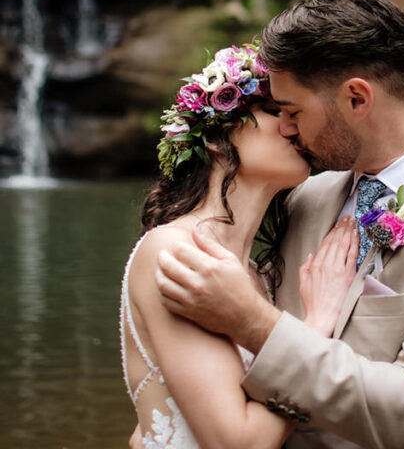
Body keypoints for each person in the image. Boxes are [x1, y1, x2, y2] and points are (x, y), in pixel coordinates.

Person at [151, 0, 404, 449]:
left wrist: (254, 323)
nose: (284, 128)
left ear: (356, 99)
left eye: (293, 111)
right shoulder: (307, 193)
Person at [120, 42, 360, 449]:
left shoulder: (259, 274)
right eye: (273, 112)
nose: (293, 126)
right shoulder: (177, 253)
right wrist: (317, 325)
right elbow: (240, 443)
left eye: (293, 112)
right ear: (216, 138)